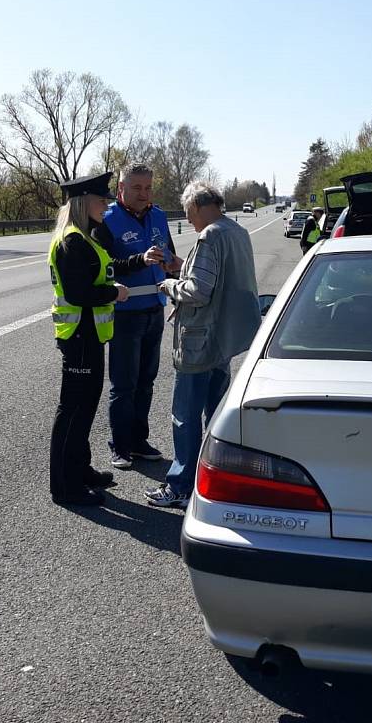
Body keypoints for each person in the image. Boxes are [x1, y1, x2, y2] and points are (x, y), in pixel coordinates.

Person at [48, 172, 163, 506]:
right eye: (101, 201)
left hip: (89, 335)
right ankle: (65, 487)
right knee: (73, 411)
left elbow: (109, 267)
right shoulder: (72, 241)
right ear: (85, 203)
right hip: (79, 335)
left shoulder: (86, 237)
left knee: (84, 409)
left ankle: (80, 470)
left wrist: (138, 262)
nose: (106, 206)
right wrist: (113, 293)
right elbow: (80, 291)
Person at [144, 182, 261, 508]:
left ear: (196, 207)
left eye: (187, 214)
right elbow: (218, 277)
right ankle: (211, 479)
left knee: (185, 415)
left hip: (199, 340)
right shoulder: (235, 232)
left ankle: (180, 486)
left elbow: (197, 292)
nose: (189, 220)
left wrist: (168, 284)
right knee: (215, 415)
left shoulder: (209, 236)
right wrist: (183, 266)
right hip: (224, 339)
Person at [93, 163, 177, 470]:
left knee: (146, 380)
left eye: (148, 188)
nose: (144, 194)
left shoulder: (158, 215)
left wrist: (173, 266)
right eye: (136, 188)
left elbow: (168, 252)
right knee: (124, 384)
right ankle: (120, 444)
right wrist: (139, 260)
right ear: (121, 190)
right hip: (125, 313)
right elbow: (104, 265)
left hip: (156, 308)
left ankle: (139, 440)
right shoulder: (107, 219)